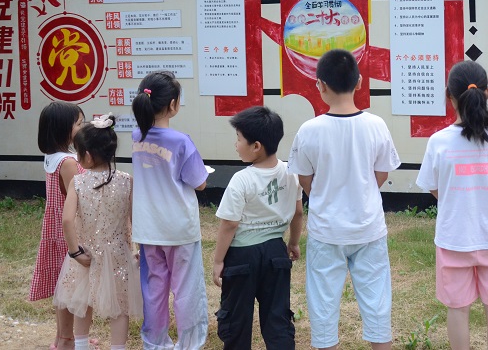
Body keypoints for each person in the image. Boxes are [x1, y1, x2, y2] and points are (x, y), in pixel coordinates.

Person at [287, 49, 401, 350]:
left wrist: (323, 196)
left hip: (327, 231)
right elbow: (381, 173)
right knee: (378, 308)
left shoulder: (309, 130)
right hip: (369, 228)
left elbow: (304, 178)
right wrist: (362, 191)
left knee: (323, 310)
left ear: (319, 84)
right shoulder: (377, 125)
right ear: (360, 81)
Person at [415, 61, 488, 350]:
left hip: (454, 238)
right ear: (487, 92)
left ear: (448, 96)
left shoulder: (438, 141)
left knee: (458, 308)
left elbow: (436, 188)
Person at [212, 106, 303, 349]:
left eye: (239, 139)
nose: (236, 144)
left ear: (256, 146)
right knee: (277, 317)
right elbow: (298, 212)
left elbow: (230, 224)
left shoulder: (242, 179)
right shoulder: (290, 173)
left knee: (236, 319)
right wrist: (293, 243)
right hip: (276, 252)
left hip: (242, 256)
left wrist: (218, 260)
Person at [131, 71, 209, 350]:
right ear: (173, 105)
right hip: (179, 229)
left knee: (154, 289)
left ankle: (155, 342)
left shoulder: (136, 135)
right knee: (186, 290)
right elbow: (199, 182)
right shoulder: (181, 142)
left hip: (148, 229)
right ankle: (189, 343)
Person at [54, 114, 142, 350]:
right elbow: (137, 220)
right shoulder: (127, 181)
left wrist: (74, 252)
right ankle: (118, 347)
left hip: (86, 254)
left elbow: (67, 220)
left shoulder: (78, 183)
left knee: (82, 302)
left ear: (88, 156)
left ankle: (81, 346)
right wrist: (139, 249)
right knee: (120, 307)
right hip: (118, 255)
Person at [30, 101, 86, 350]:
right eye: (80, 124)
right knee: (69, 288)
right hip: (70, 232)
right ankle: (66, 340)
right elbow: (79, 196)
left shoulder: (53, 157)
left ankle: (64, 337)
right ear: (65, 129)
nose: (83, 128)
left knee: (62, 286)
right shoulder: (68, 163)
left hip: (55, 229)